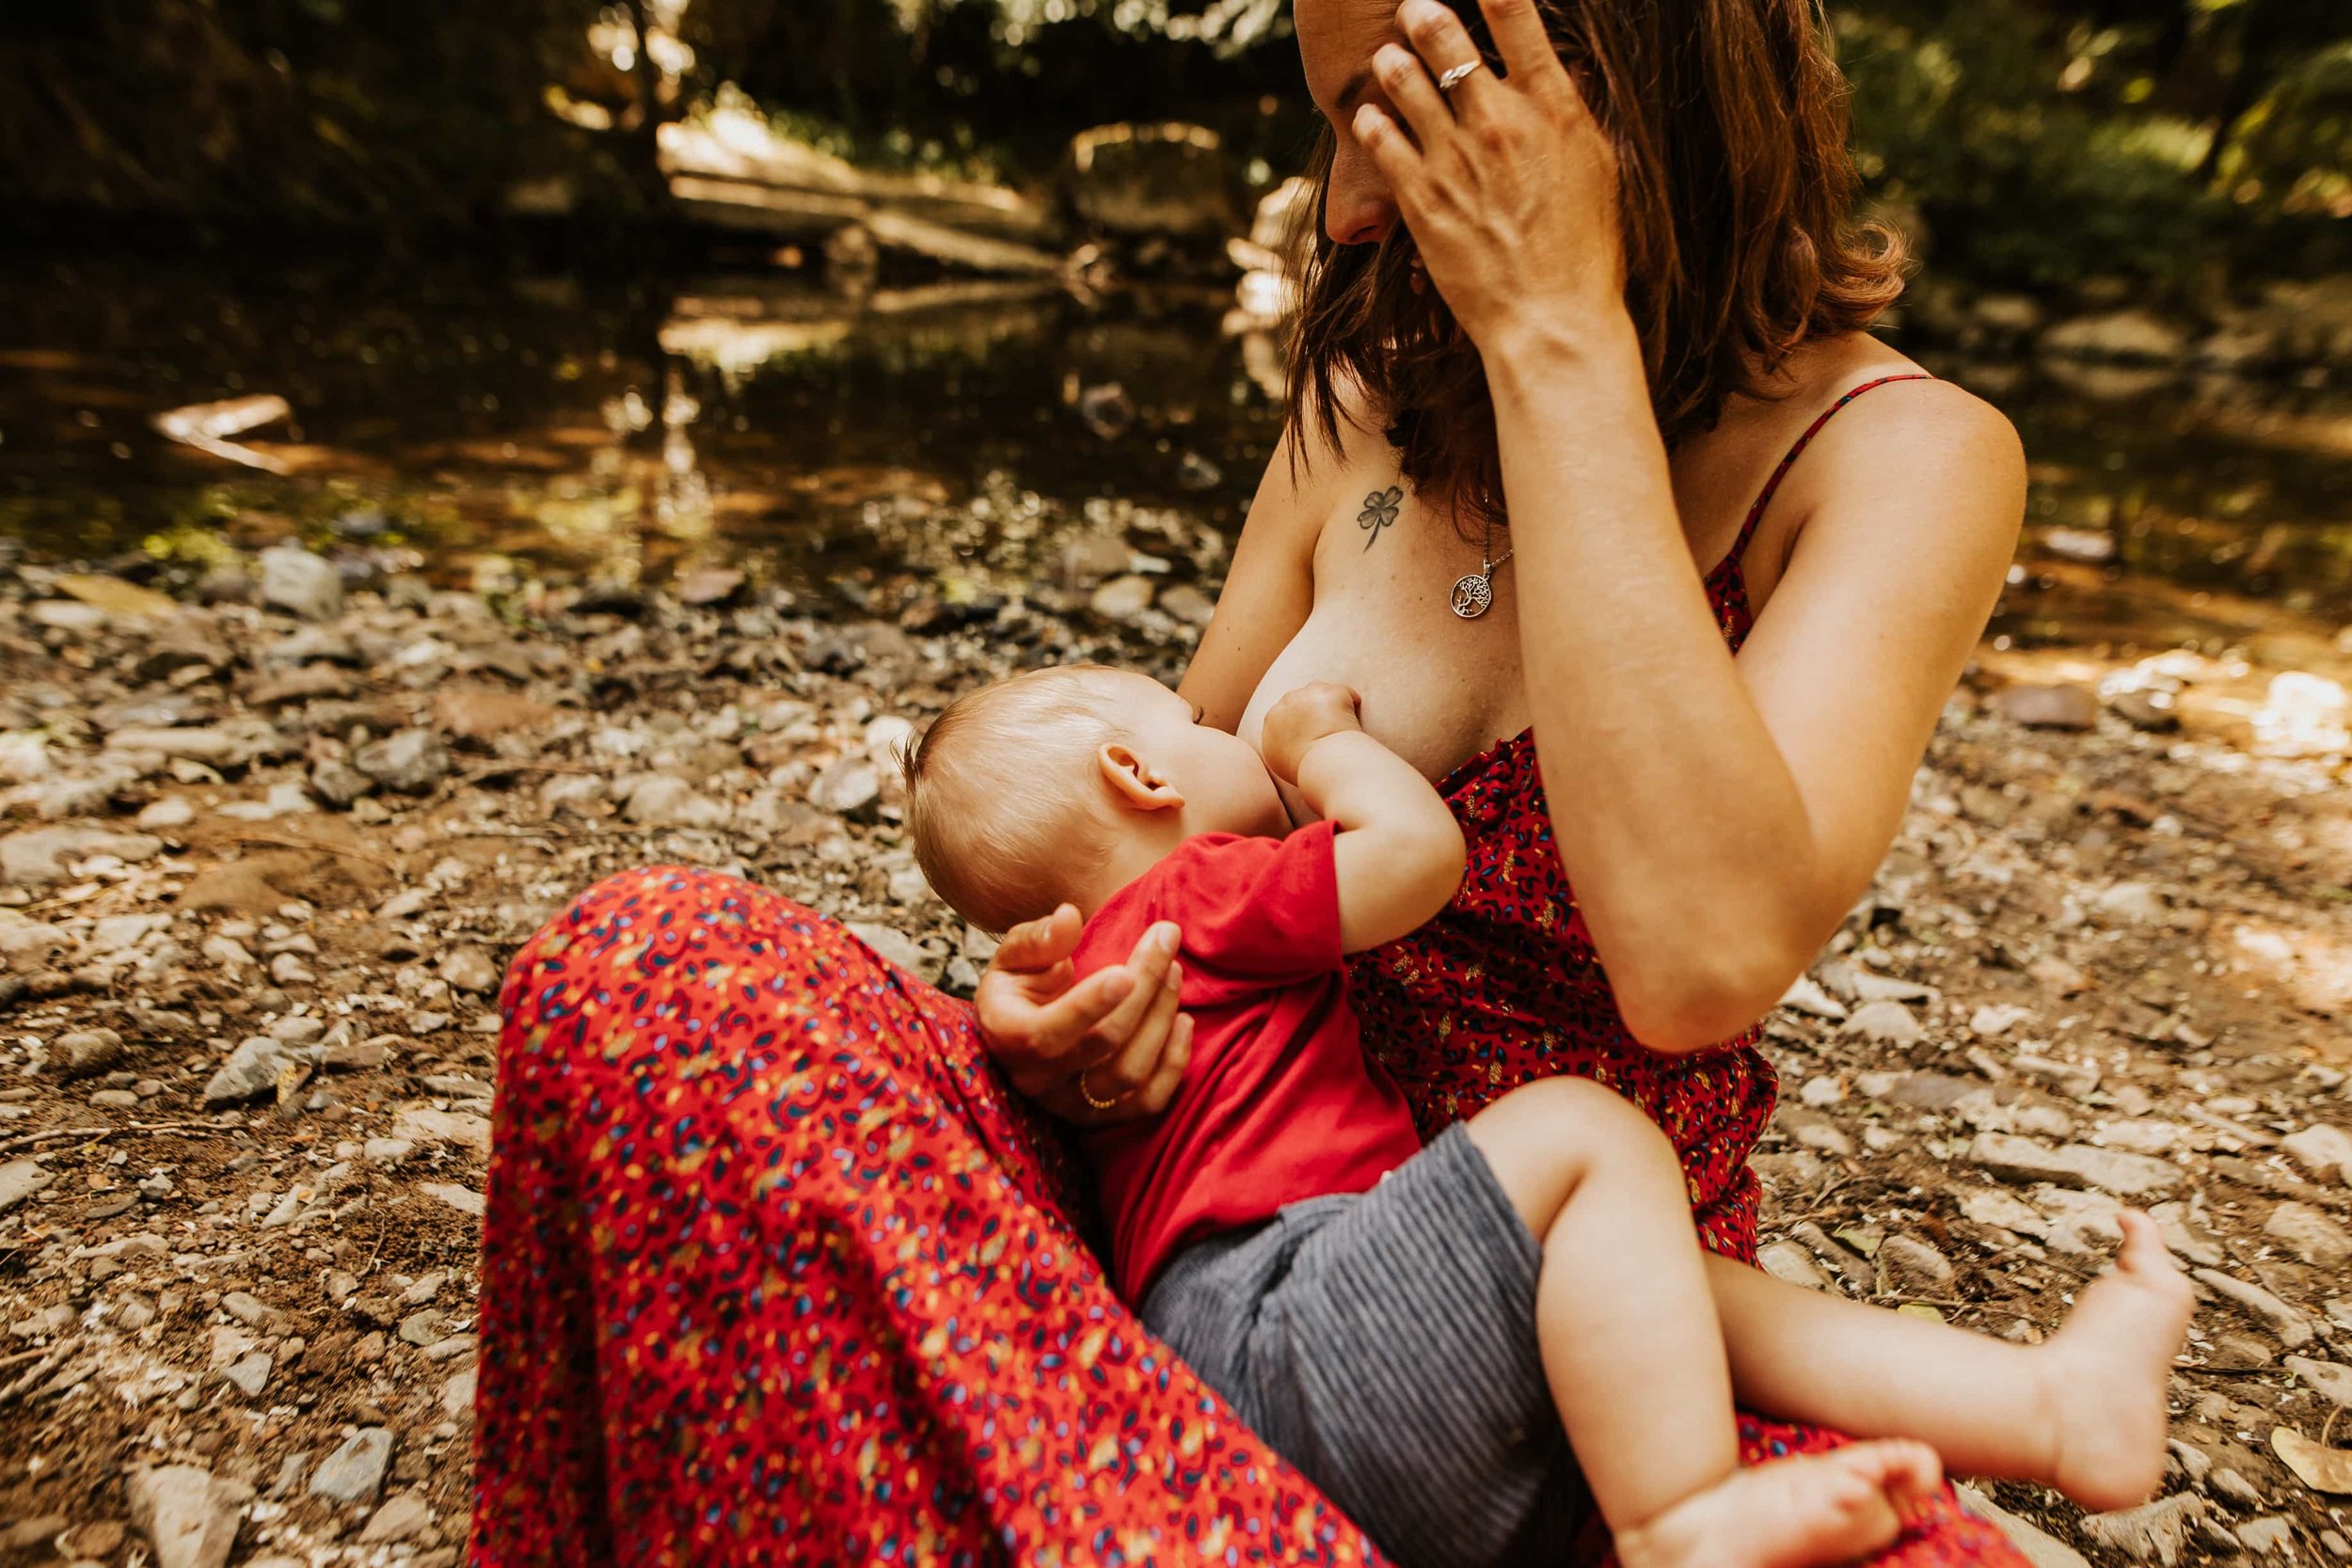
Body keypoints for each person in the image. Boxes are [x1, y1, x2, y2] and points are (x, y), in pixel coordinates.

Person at [469, 0, 2050, 1560]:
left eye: (1393, 114)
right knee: (651, 969)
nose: (1345, 211)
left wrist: (1557, 335)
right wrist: (1052, 1012)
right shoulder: (1368, 398)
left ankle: (1133, 1498)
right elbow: (1156, 809)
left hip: (1585, 1342)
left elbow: (1700, 959)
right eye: (1333, 123)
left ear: (1615, 96)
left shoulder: (1896, 457)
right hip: (1203, 1222)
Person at [895, 663, 2190, 1568]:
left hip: (1268, 1405)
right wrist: (1315, 744)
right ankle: (1682, 1527)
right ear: (1140, 773)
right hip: (1287, 1323)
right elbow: (1417, 860)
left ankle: (2047, 1410)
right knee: (1582, 1131)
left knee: (1660, 1285)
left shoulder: (1084, 971)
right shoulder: (1206, 887)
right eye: (1194, 720)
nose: (1220, 727)